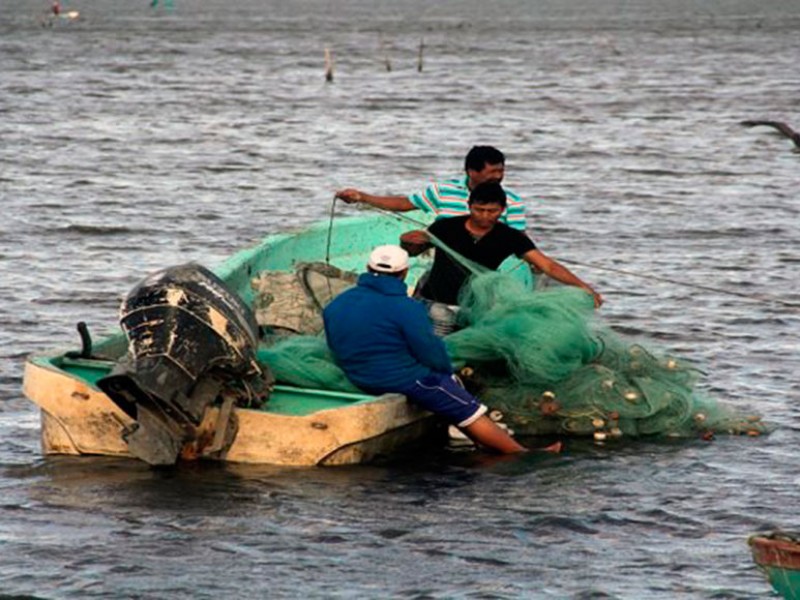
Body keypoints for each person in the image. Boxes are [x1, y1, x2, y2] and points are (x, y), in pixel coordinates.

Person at [322, 244, 526, 454]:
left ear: (367, 267)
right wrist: (446, 372)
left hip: (355, 374)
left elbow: (334, 341)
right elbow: (429, 350)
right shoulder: (407, 307)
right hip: (398, 378)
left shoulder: (340, 301)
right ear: (403, 273)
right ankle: (517, 453)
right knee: (466, 407)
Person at [402, 181, 603, 308]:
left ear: (502, 210)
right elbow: (413, 252)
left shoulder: (509, 237)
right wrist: (408, 242)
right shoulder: (445, 227)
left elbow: (547, 265)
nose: (484, 216)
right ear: (469, 206)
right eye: (479, 210)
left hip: (474, 306)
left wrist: (584, 287)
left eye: (492, 211)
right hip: (434, 300)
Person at [335, 145, 527, 231]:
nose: (498, 177)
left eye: (501, 171)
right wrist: (361, 196)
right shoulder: (443, 191)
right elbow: (404, 203)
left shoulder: (512, 201)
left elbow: (520, 240)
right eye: (492, 172)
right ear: (471, 171)